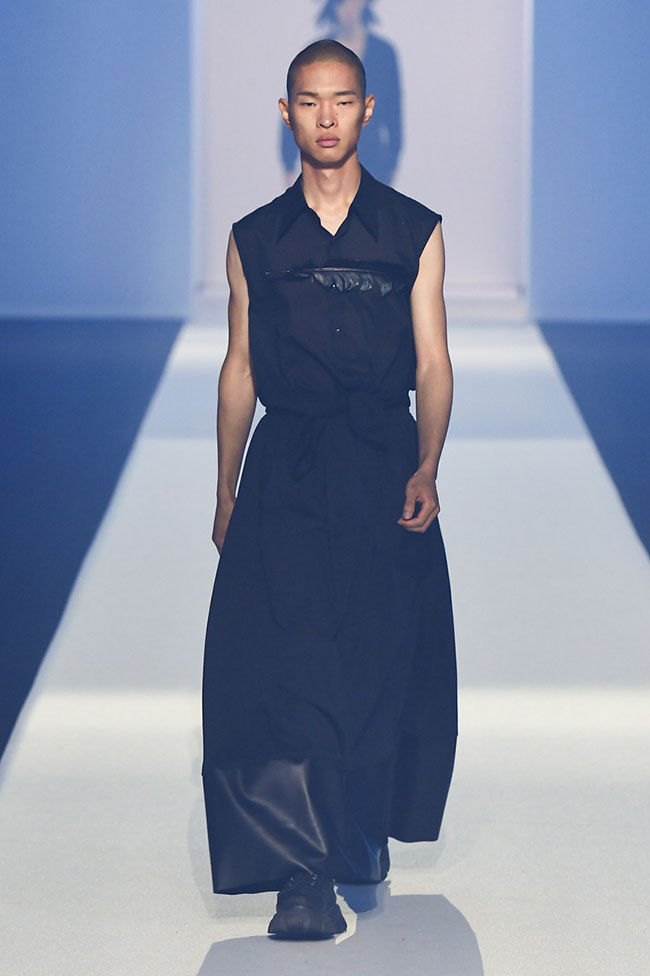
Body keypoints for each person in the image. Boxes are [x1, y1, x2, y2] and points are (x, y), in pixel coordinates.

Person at [201, 38, 458, 941]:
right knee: (287, 659)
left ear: (367, 111)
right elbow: (240, 367)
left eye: (341, 100)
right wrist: (225, 486)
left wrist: (427, 464)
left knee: (377, 658)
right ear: (286, 113)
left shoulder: (413, 230)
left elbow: (433, 362)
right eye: (308, 101)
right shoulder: (255, 239)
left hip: (382, 462)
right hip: (290, 465)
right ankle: (302, 874)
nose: (325, 117)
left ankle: (357, 831)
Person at [280, 0, 403, 185]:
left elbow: (394, 110)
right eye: (343, 3)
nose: (349, 9)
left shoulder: (383, 53)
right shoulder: (315, 53)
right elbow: (298, 103)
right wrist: (288, 162)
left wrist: (393, 160)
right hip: (324, 154)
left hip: (372, 158)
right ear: (332, 6)